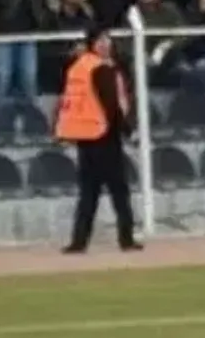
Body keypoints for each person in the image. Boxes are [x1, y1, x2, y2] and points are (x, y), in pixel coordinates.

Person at [54, 25, 142, 254]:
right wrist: (128, 131)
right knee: (118, 191)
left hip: (85, 136)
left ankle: (79, 241)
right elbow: (111, 104)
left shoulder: (79, 67)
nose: (106, 44)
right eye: (101, 40)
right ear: (93, 44)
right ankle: (126, 239)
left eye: (107, 40)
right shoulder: (101, 69)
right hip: (105, 135)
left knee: (88, 193)